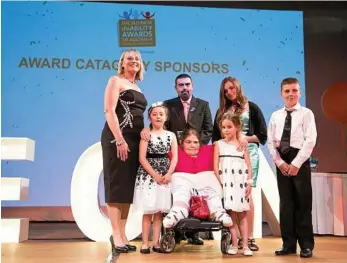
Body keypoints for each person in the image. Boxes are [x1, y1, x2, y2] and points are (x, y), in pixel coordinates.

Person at [142, 73, 213, 245]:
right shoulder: (168, 105)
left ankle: (193, 234)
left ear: (192, 86)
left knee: (195, 192)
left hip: (197, 155)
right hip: (175, 155)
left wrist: (193, 146)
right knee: (177, 192)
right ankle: (177, 233)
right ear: (176, 88)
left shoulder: (203, 105)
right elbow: (160, 125)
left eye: (187, 84)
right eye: (180, 85)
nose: (184, 88)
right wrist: (146, 128)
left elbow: (208, 129)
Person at [212, 77, 267, 251]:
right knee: (229, 199)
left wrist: (244, 139)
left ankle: (249, 238)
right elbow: (215, 137)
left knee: (246, 197)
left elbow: (262, 136)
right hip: (226, 157)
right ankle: (233, 238)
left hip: (247, 153)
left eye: (231, 88)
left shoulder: (253, 108)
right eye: (225, 91)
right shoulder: (222, 111)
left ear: (237, 87)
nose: (229, 92)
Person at [101, 49, 147, 253]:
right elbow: (109, 110)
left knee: (127, 189)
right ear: (122, 63)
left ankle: (123, 232)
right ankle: (115, 233)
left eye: (137, 59)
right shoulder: (115, 81)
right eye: (130, 58)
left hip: (135, 141)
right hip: (117, 139)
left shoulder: (138, 87)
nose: (134, 61)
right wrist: (119, 140)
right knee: (116, 186)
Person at [267, 77, 317, 258]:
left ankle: (306, 245)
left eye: (294, 90)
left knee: (302, 203)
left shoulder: (306, 114)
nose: (291, 94)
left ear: (300, 92)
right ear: (281, 94)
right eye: (287, 91)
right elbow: (271, 142)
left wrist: (296, 164)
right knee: (286, 204)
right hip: (282, 160)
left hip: (299, 159)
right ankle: (288, 244)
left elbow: (310, 140)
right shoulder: (275, 116)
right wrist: (279, 162)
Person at [162, 128, 233, 229]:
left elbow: (228, 141)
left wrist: (242, 138)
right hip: (183, 180)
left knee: (212, 192)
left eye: (196, 142)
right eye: (188, 142)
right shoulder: (175, 152)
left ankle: (218, 212)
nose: (192, 145)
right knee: (181, 193)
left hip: (205, 182)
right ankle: (177, 212)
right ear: (181, 143)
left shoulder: (209, 150)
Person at [133, 102, 178, 254]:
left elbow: (175, 157)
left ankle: (156, 242)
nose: (158, 116)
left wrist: (169, 173)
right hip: (148, 176)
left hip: (165, 174)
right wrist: (155, 175)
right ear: (149, 117)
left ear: (166, 117)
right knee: (148, 211)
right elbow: (142, 158)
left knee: (159, 211)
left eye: (161, 114)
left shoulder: (171, 136)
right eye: (154, 114)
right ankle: (145, 243)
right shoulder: (146, 135)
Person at [214, 112, 253, 256]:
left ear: (236, 127)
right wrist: (220, 184)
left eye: (229, 127)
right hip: (227, 183)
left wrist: (249, 183)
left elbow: (248, 165)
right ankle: (234, 244)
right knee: (230, 214)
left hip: (240, 182)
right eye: (223, 127)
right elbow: (215, 166)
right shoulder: (219, 144)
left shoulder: (242, 145)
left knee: (242, 213)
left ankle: (245, 245)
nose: (225, 130)